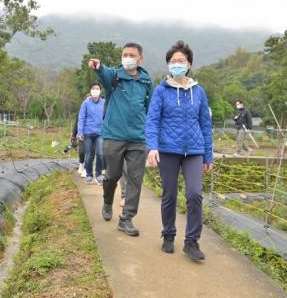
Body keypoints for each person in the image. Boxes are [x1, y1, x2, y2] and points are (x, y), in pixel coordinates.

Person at [145, 40, 213, 261]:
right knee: (170, 194)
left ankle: (192, 241)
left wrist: (208, 154)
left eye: (181, 61)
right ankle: (168, 235)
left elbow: (205, 124)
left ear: (189, 64)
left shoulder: (199, 92)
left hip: (194, 150)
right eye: (173, 61)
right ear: (168, 65)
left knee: (194, 194)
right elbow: (152, 121)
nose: (177, 64)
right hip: (168, 150)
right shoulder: (160, 91)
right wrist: (152, 147)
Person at [89, 43, 152, 237]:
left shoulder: (147, 81)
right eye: (125, 54)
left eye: (132, 55)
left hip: (138, 138)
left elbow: (150, 109)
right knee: (112, 175)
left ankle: (126, 219)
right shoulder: (114, 77)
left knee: (135, 179)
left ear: (140, 59)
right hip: (114, 136)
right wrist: (98, 66)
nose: (128, 58)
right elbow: (104, 73)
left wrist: (150, 135)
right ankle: (107, 201)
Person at [77, 83, 105, 184]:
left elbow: (107, 117)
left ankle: (98, 175)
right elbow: (81, 118)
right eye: (93, 89)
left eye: (97, 89)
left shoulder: (104, 103)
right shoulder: (86, 103)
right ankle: (89, 174)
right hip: (87, 133)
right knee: (88, 156)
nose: (95, 90)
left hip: (100, 133)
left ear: (100, 91)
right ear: (90, 91)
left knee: (100, 154)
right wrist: (80, 132)